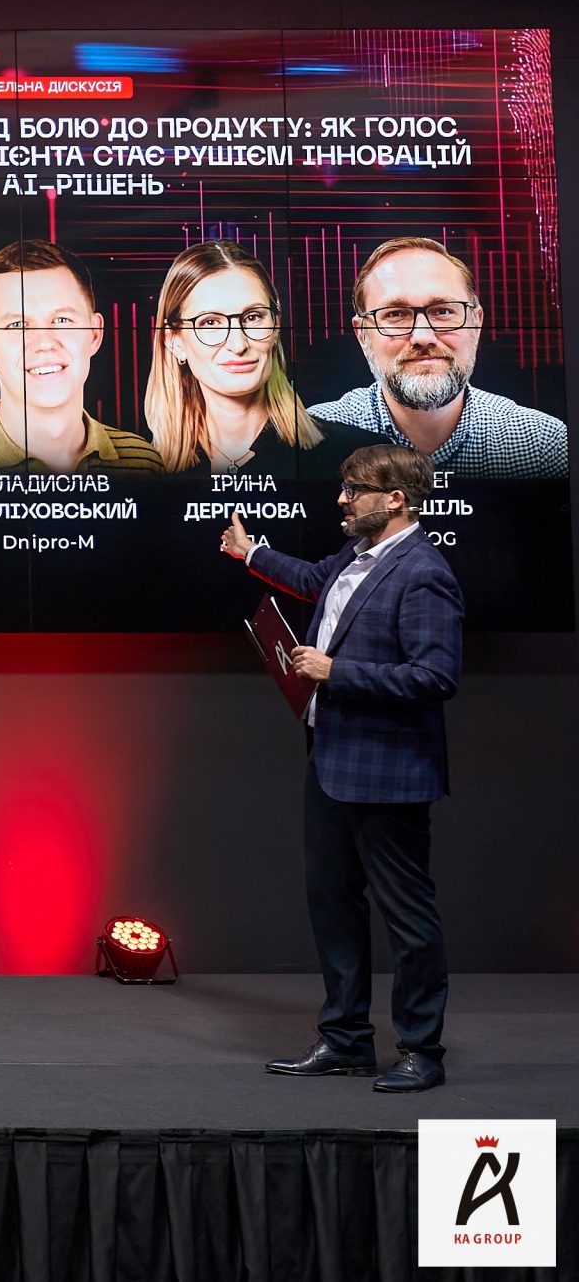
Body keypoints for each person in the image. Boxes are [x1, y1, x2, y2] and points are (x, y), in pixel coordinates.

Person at [221, 443, 461, 1093]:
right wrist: (250, 553)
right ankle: (347, 1040)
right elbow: (309, 580)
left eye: (354, 489)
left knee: (407, 917)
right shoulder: (355, 556)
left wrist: (336, 671)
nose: (341, 499)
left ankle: (422, 1051)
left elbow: (435, 677)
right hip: (330, 758)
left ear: (395, 499)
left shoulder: (423, 573)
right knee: (332, 904)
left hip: (389, 772)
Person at [308, 237, 568, 479]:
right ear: (362, 334)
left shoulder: (544, 445)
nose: (423, 336)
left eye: (443, 311)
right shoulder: (311, 437)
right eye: (396, 314)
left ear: (476, 323)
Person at [144, 240, 380, 477]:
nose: (238, 345)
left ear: (276, 325)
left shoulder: (360, 456)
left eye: (253, 317)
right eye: (210, 322)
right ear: (173, 340)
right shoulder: (141, 467)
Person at [0, 239, 163, 474]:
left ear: (94, 334)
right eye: (17, 325)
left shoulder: (144, 463)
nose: (45, 343)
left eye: (62, 320)